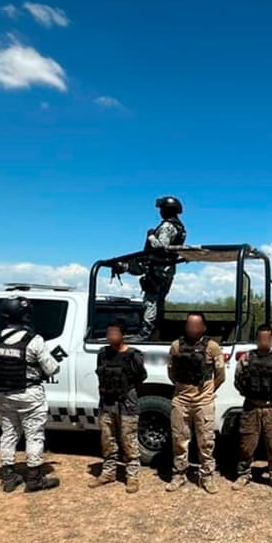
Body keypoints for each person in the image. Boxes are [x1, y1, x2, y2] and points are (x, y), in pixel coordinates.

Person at [0, 296, 61, 493]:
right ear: (24, 315)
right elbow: (52, 369)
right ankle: (34, 479)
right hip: (29, 394)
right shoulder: (33, 341)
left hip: (4, 395)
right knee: (34, 435)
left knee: (9, 434)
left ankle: (9, 477)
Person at [166, 312, 225, 493]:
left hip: (203, 401)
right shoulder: (176, 346)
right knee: (179, 439)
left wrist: (207, 392)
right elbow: (171, 372)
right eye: (190, 325)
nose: (193, 328)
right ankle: (179, 475)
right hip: (181, 399)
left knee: (206, 441)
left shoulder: (212, 347)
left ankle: (207, 476)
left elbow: (220, 375)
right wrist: (182, 389)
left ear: (204, 327)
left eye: (196, 325)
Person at [88, 319, 148, 493]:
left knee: (129, 441)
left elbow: (140, 377)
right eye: (108, 333)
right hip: (107, 403)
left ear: (123, 335)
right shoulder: (103, 354)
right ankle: (108, 473)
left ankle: (132, 476)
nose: (110, 336)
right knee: (108, 441)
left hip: (126, 404)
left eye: (114, 333)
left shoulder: (133, 355)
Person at [232, 324, 272, 492]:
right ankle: (244, 474)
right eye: (261, 338)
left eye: (267, 338)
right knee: (246, 444)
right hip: (251, 407)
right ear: (257, 340)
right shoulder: (247, 358)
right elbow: (238, 380)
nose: (264, 341)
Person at [138, 195, 188, 340]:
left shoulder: (167, 226)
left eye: (162, 209)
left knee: (151, 301)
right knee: (159, 301)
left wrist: (151, 236)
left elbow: (161, 247)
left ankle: (146, 333)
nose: (160, 212)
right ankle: (155, 330)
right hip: (168, 269)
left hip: (159, 268)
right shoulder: (180, 227)